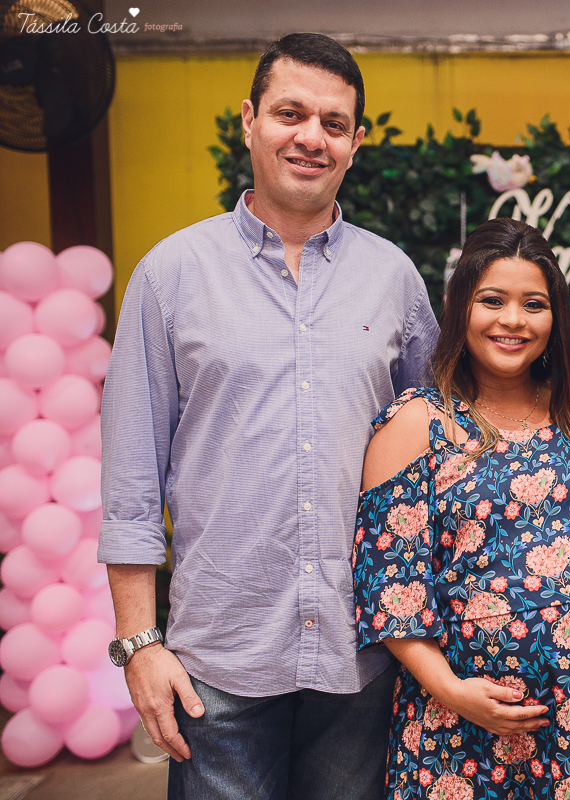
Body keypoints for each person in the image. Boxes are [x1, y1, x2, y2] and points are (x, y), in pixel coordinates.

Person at [99, 33, 438, 800]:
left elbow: (435, 461)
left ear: (356, 141)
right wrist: (138, 645)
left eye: (334, 122)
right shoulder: (170, 274)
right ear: (249, 120)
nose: (311, 137)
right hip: (216, 665)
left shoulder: (394, 279)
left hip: (364, 657)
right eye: (291, 113)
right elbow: (129, 483)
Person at [353, 217, 570, 800]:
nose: (513, 320)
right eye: (492, 301)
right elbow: (388, 589)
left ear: (554, 317)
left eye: (533, 303)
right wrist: (453, 691)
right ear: (459, 307)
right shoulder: (417, 423)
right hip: (458, 731)